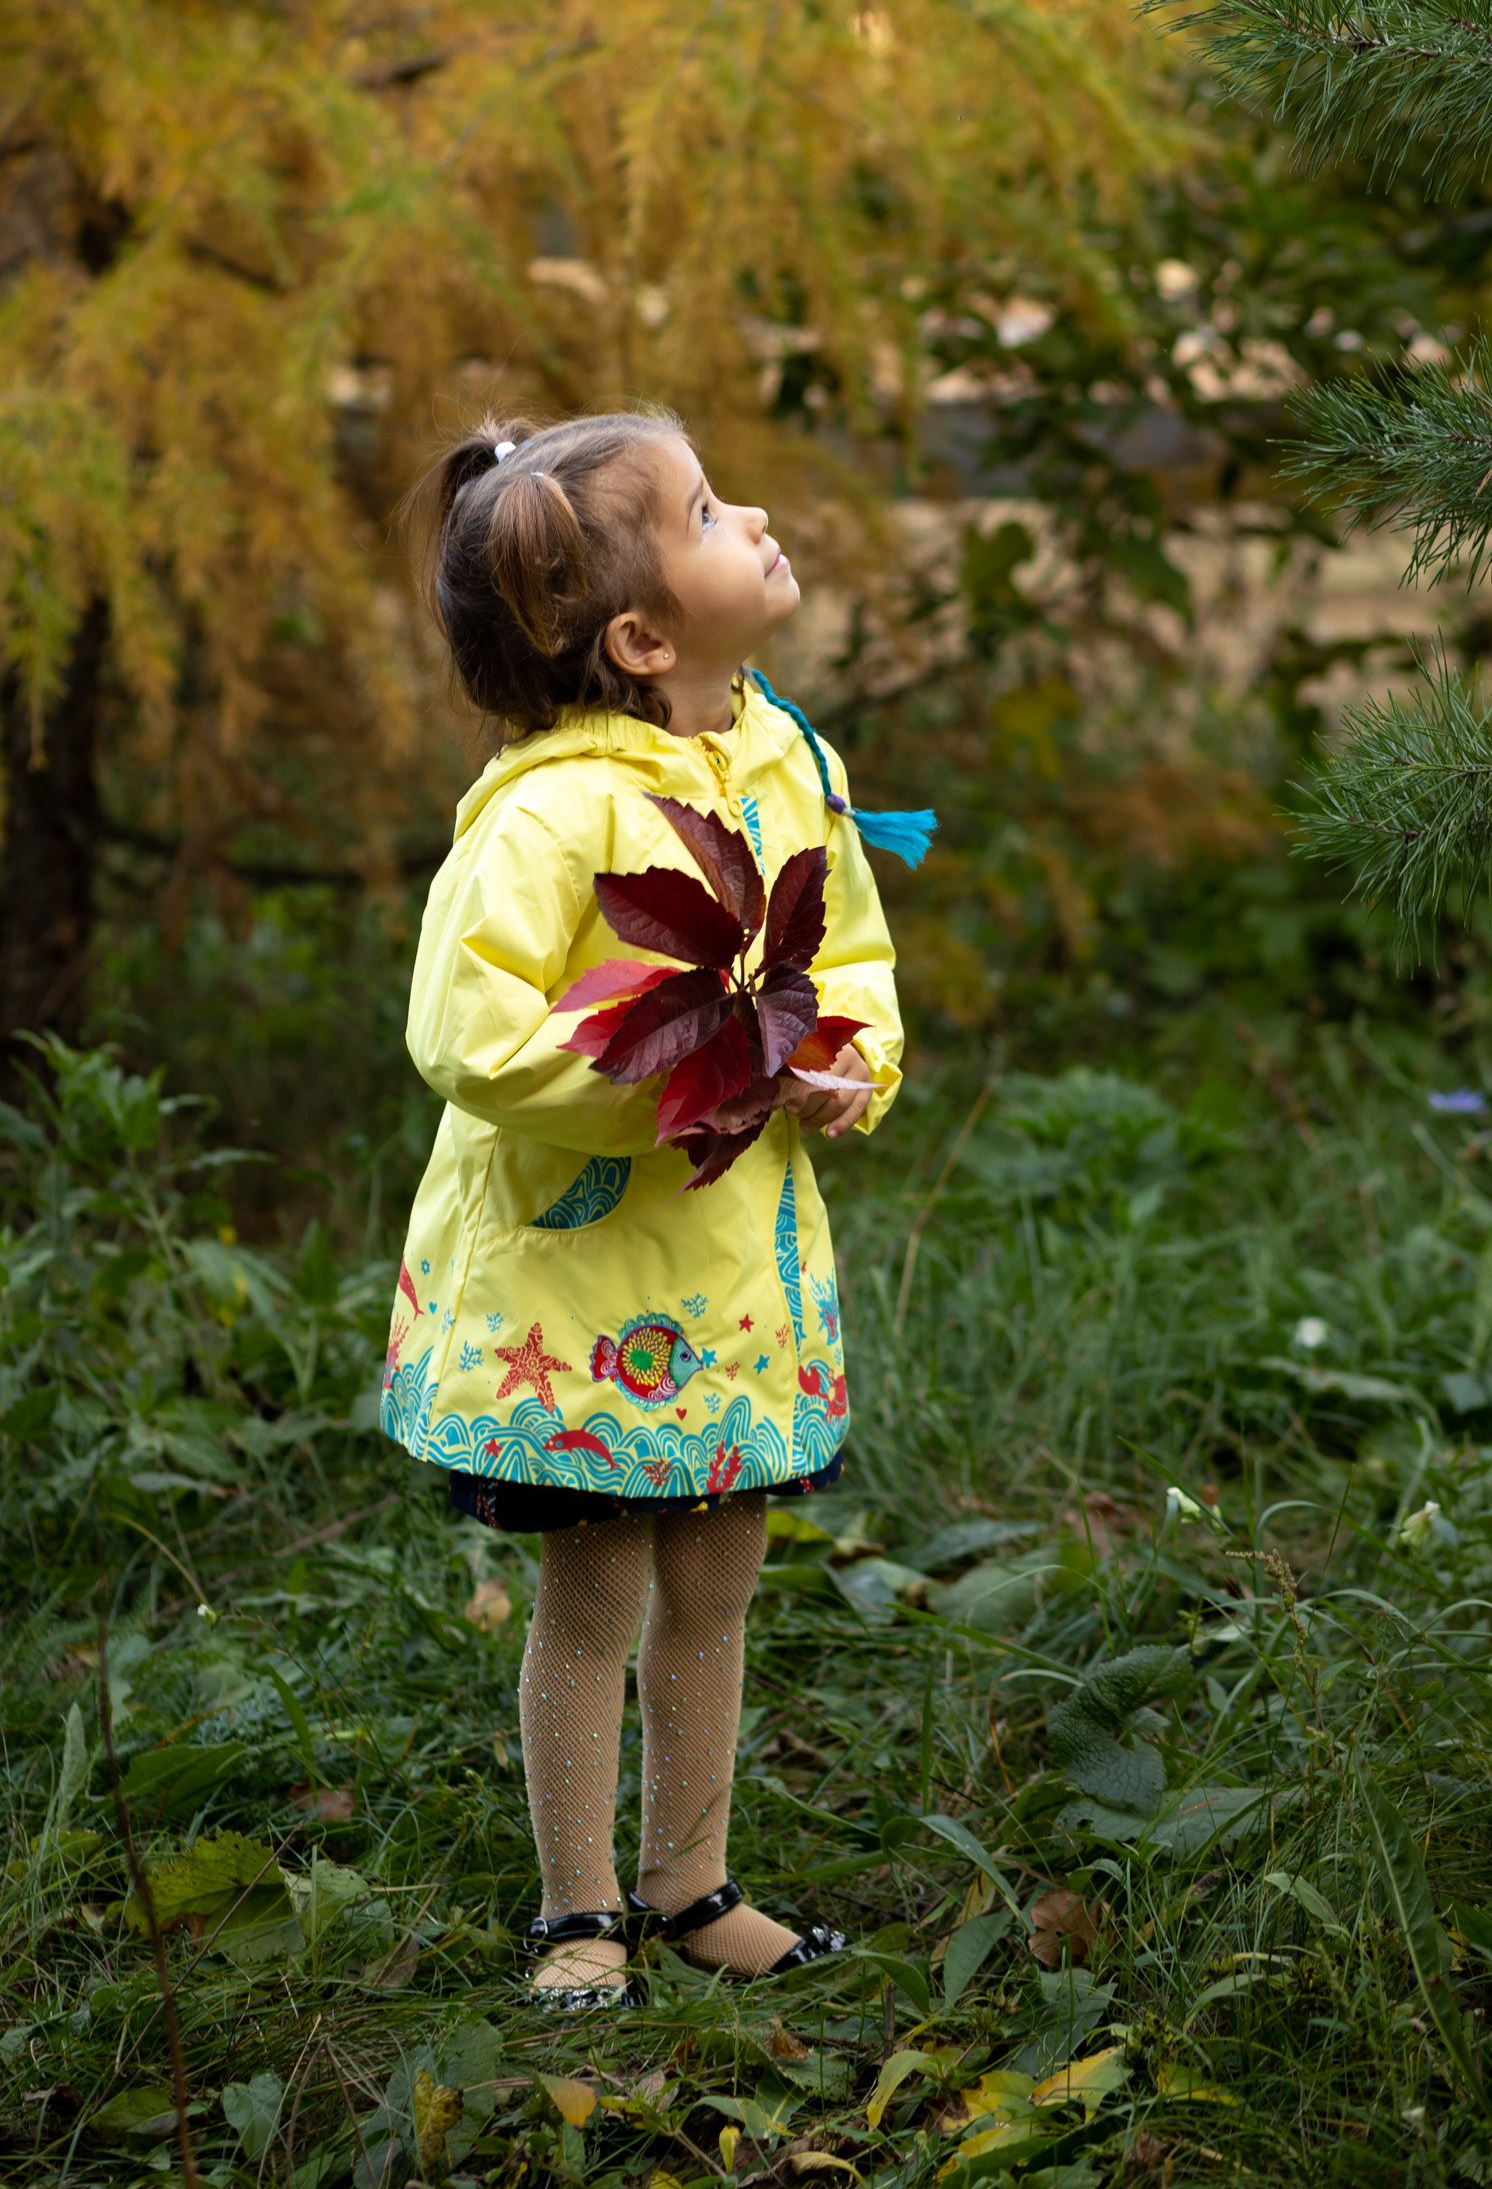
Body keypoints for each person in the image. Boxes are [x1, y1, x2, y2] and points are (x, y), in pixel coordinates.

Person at [380, 408, 922, 2005]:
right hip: (584, 1284)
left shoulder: (787, 762)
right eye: (704, 508)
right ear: (640, 631)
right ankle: (577, 1907)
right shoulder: (551, 813)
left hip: (737, 1278)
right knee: (598, 1587)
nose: (753, 513)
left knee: (720, 1580)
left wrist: (839, 1068)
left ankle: (693, 1882)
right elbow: (466, 1035)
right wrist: (675, 1069)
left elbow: (857, 971)